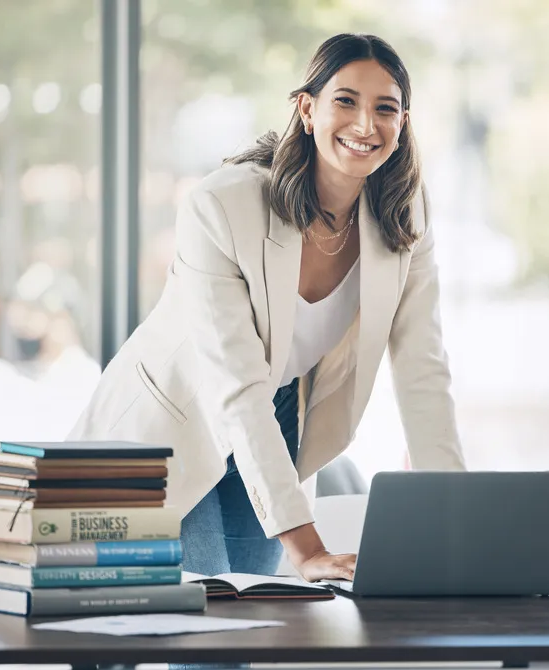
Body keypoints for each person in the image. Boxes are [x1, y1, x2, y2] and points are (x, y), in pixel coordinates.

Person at [68, 33, 466, 582]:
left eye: (385, 108)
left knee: (251, 626)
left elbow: (424, 371)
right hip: (169, 425)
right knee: (205, 626)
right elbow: (234, 383)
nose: (365, 125)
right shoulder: (223, 205)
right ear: (307, 108)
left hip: (273, 418)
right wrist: (306, 549)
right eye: (345, 100)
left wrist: (457, 525)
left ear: (403, 126)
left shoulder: (403, 218)